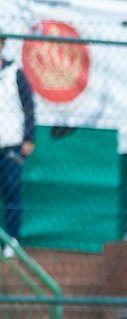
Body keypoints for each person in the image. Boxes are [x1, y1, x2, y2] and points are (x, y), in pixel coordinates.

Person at [0, 36, 35, 249]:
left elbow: (29, 108)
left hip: (11, 145)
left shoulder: (15, 73)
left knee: (11, 191)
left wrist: (29, 138)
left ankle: (11, 242)